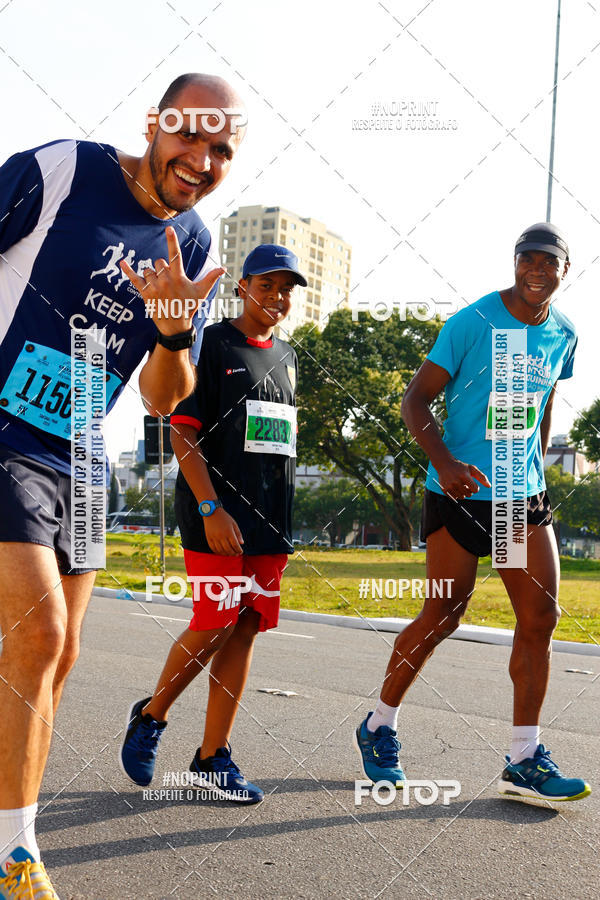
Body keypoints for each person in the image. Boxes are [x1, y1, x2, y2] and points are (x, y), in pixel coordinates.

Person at [0, 73, 246, 898]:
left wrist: (174, 328)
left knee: (59, 653)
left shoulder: (197, 250)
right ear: (156, 123)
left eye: (222, 149)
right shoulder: (61, 171)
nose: (201, 159)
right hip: (6, 435)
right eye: (190, 135)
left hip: (83, 458)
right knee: (36, 637)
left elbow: (163, 398)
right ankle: (16, 856)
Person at [354, 223, 591, 803]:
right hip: (458, 494)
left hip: (518, 498)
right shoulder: (472, 323)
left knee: (539, 619)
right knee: (443, 614)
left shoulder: (564, 333)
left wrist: (536, 469)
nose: (537, 271)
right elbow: (414, 400)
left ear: (565, 270)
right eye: (527, 260)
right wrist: (446, 462)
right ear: (515, 263)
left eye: (549, 263)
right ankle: (378, 725)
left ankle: (525, 756)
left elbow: (545, 403)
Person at [119, 244, 305, 804]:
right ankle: (151, 716)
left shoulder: (290, 356)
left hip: (269, 524)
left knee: (245, 627)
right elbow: (182, 431)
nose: (277, 296)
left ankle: (212, 758)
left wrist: (281, 524)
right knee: (215, 620)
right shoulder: (211, 342)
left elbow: (277, 444)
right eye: (266, 284)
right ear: (243, 286)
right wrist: (210, 507)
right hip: (215, 513)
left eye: (287, 288)